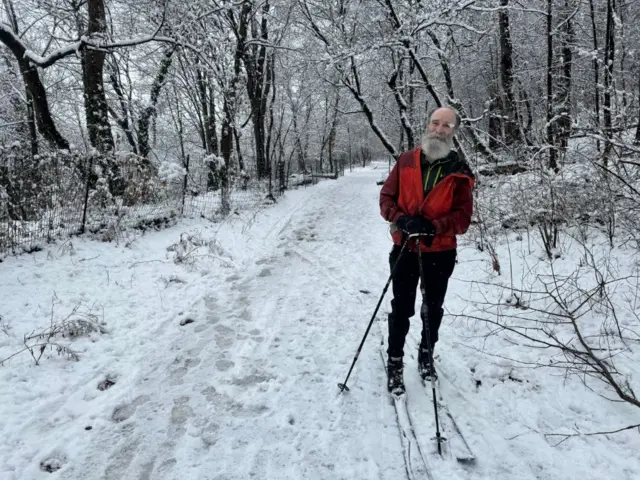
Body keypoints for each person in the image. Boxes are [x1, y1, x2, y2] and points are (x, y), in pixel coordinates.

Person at [379, 106, 475, 394]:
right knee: (401, 309)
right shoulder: (406, 161)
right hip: (405, 248)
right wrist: (400, 218)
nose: (439, 129)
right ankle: (395, 362)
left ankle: (426, 354)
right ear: (427, 124)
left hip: (440, 251)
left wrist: (434, 226)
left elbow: (463, 218)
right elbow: (386, 198)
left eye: (446, 125)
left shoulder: (460, 171)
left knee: (432, 309)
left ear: (454, 131)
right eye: (435, 123)